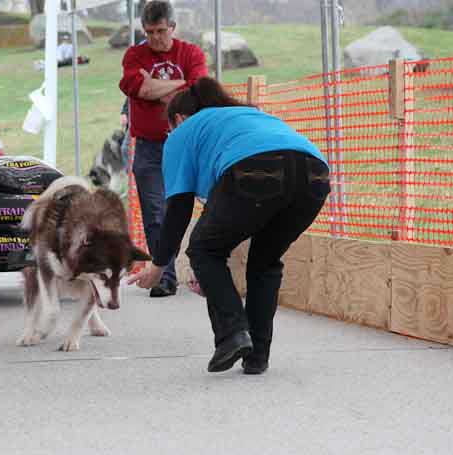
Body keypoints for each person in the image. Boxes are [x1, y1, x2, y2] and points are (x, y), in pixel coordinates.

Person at [127, 77, 331, 375]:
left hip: (256, 169)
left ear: (179, 119)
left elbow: (179, 208)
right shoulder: (244, 117)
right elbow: (231, 215)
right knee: (265, 262)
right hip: (315, 176)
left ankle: (232, 333)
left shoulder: (184, 132)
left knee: (202, 247)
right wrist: (211, 277)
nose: (170, 133)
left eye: (170, 127)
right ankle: (257, 356)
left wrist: (159, 265)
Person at [119, 0, 208, 297]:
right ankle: (164, 275)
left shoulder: (190, 53)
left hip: (187, 145)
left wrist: (157, 86)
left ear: (172, 27)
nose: (155, 38)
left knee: (205, 206)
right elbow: (138, 89)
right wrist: (177, 85)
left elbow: (197, 90)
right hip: (149, 146)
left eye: (160, 31)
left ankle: (207, 269)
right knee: (155, 213)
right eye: (149, 32)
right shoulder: (134, 55)